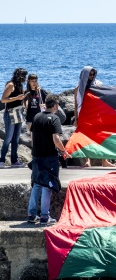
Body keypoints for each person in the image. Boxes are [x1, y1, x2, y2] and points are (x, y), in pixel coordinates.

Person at [27, 94, 68, 225]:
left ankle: (31, 214)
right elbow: (56, 139)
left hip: (37, 156)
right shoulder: (54, 119)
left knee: (37, 184)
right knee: (47, 185)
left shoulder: (37, 117)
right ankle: (44, 216)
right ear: (55, 106)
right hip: (49, 157)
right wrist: (63, 151)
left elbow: (32, 136)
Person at [73, 66, 116, 168]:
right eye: (89, 74)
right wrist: (76, 119)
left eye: (93, 74)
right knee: (85, 138)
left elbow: (102, 100)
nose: (91, 76)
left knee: (101, 137)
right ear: (84, 75)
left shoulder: (97, 86)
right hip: (84, 116)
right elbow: (76, 105)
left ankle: (104, 160)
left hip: (96, 115)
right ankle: (87, 161)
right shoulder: (78, 89)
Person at [1, 68, 28, 168]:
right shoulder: (11, 85)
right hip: (10, 113)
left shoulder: (20, 85)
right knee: (8, 138)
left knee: (16, 138)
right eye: (24, 76)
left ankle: (14, 160)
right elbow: (3, 100)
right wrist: (17, 98)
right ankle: (1, 160)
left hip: (18, 112)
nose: (25, 78)